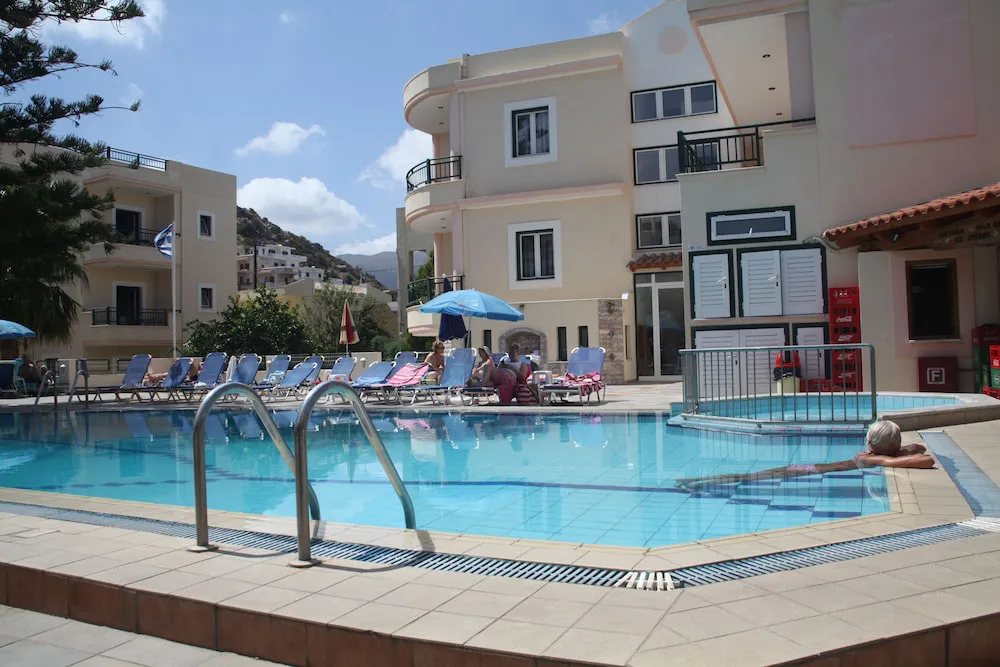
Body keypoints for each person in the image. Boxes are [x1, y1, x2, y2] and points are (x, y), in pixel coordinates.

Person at [677, 420, 934, 491]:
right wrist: (899, 452)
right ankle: (698, 482)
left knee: (751, 476)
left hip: (810, 467)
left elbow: (916, 448)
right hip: (809, 470)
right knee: (750, 478)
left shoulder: (870, 453)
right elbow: (925, 459)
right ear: (889, 446)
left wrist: (900, 448)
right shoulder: (872, 458)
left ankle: (695, 481)